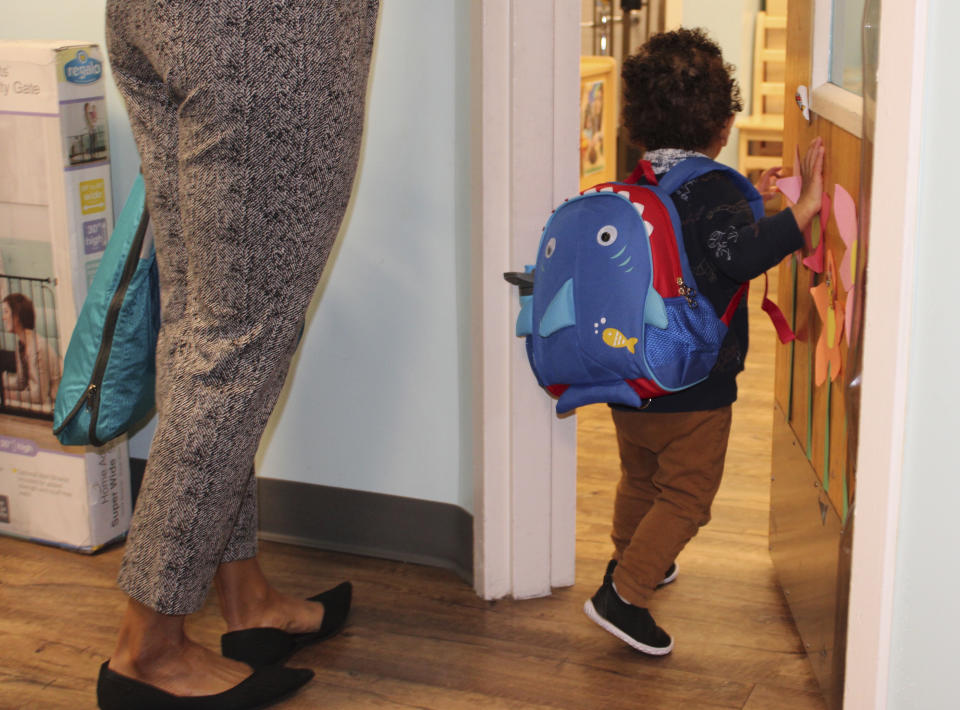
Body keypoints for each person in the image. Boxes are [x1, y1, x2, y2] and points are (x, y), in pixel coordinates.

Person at [96, 2, 379, 709]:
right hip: (265, 25)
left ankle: (244, 597)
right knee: (234, 345)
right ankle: (148, 651)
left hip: (161, 18)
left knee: (202, 325)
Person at [582, 28, 824, 656]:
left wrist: (762, 202)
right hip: (694, 384)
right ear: (723, 121)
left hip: (632, 374)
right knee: (687, 494)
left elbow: (697, 243)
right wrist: (800, 217)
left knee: (640, 477)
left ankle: (632, 562)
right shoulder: (711, 186)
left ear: (639, 123)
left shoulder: (641, 179)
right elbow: (737, 256)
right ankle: (626, 594)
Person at [1, 293, 61, 412]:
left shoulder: (39, 347)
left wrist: (6, 395)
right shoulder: (21, 345)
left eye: (6, 312)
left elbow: (39, 396)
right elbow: (21, 382)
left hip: (55, 408)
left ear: (17, 316)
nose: (3, 317)